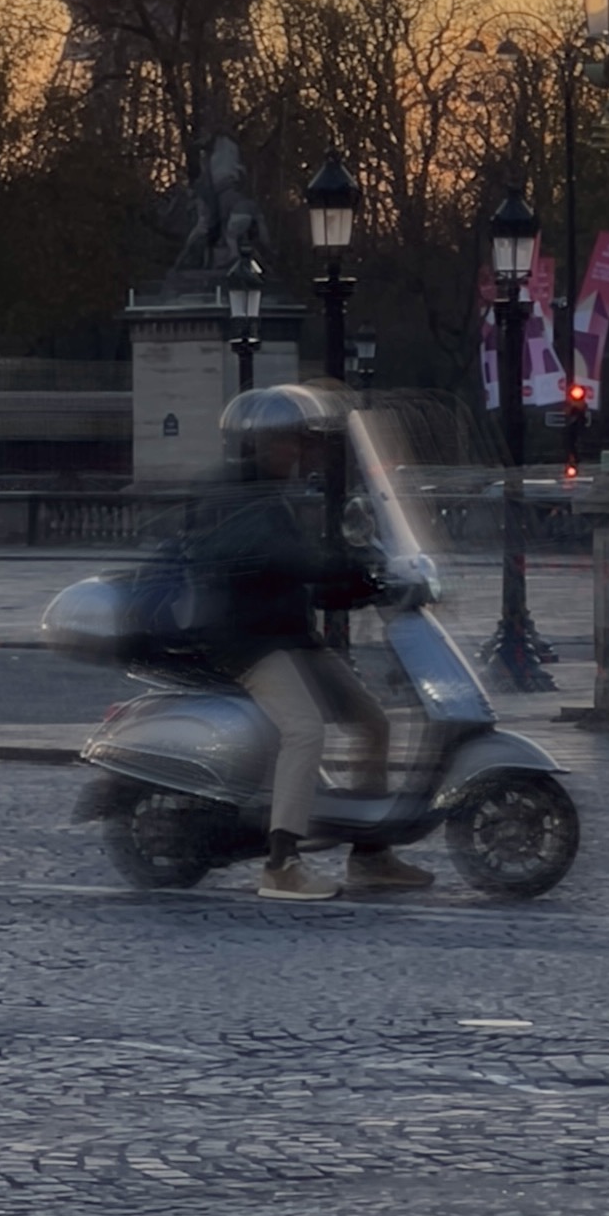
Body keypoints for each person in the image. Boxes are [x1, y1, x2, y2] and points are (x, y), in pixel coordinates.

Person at [184, 383, 436, 902]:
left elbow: (304, 573)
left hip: (288, 635)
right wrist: (346, 572)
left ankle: (370, 853)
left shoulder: (270, 498)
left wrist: (369, 580)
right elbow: (287, 559)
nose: (299, 455)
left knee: (372, 722)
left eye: (301, 444)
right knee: (304, 730)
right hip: (249, 642)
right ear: (254, 446)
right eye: (289, 443)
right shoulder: (233, 498)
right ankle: (280, 865)